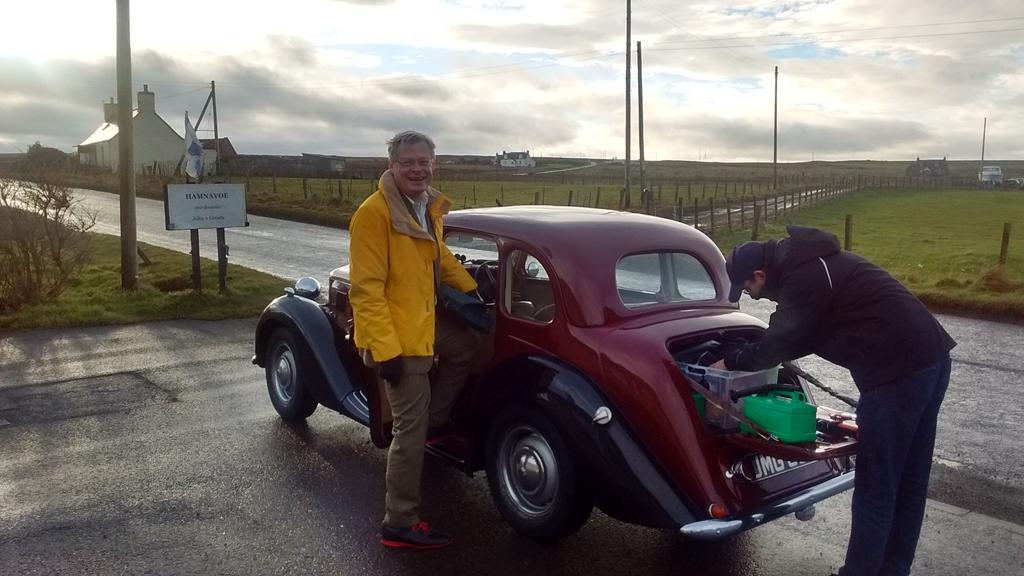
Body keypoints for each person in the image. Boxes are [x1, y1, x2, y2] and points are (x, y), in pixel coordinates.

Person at [712, 225, 955, 576]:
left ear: (761, 274)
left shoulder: (803, 278)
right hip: (931, 359)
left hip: (896, 375)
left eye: (749, 287)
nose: (751, 296)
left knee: (877, 486)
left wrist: (729, 362)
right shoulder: (814, 266)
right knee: (909, 481)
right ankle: (893, 570)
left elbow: (776, 345)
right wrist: (761, 351)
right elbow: (798, 335)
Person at [348, 130, 480, 550]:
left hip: (421, 319)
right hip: (395, 336)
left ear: (434, 164)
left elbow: (439, 258)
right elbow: (365, 290)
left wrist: (474, 290)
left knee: (466, 348)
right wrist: (386, 352)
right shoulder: (374, 214)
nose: (418, 169)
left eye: (424, 161)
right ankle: (399, 521)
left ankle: (435, 423)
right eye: (408, 163)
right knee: (408, 427)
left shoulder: (426, 208)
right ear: (392, 166)